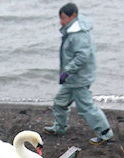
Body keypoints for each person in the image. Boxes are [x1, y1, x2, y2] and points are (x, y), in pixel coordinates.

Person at [43, 3, 113, 146]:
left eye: (63, 18)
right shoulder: (73, 28)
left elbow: (82, 56)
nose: (61, 21)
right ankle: (59, 128)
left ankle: (105, 132)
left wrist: (67, 71)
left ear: (73, 16)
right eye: (60, 18)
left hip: (79, 78)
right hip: (72, 78)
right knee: (60, 102)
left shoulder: (78, 34)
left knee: (86, 107)